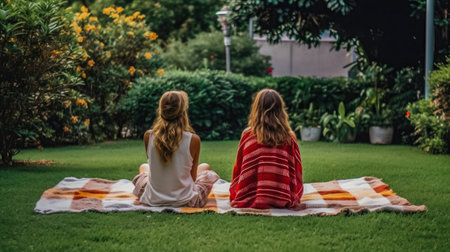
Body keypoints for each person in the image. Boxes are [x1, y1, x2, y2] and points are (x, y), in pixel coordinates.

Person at [132, 91, 219, 208]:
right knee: (206, 168)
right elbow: (192, 178)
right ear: (183, 111)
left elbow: (155, 169)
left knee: (144, 167)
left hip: (153, 198)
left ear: (161, 110)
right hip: (186, 200)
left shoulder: (148, 136)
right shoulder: (193, 139)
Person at [229, 89, 303, 209]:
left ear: (256, 109)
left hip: (249, 198)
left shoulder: (247, 135)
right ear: (281, 110)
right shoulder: (290, 137)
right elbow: (295, 172)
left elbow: (239, 170)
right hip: (282, 198)